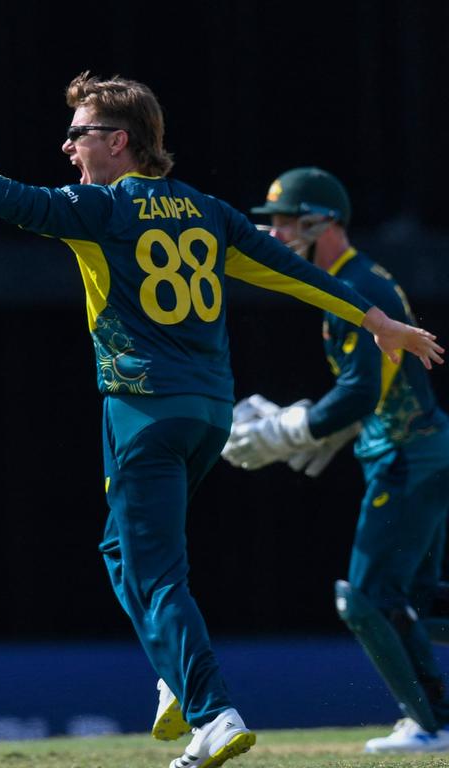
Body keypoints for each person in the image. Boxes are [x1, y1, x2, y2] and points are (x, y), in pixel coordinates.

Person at [0, 74, 444, 768]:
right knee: (127, 554)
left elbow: (10, 199)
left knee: (152, 574)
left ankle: (211, 712)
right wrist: (377, 318)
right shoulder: (207, 210)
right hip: (208, 415)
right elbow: (287, 271)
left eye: (79, 134)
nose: (67, 146)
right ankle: (175, 678)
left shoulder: (103, 210)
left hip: (141, 411)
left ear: (119, 143)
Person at [220, 167, 449, 753]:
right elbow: (377, 387)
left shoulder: (358, 285)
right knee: (419, 600)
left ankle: (431, 724)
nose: (274, 236)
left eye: (286, 223)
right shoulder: (352, 281)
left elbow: (359, 393)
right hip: (411, 448)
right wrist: (330, 432)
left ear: (323, 223)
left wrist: (290, 431)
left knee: (368, 597)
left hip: (406, 454)